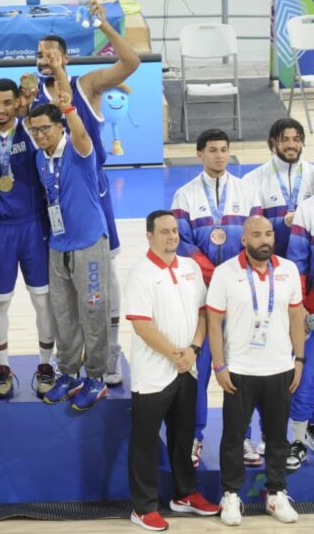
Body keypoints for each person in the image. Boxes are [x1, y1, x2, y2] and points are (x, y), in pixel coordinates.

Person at [33, 0, 142, 388]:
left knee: (103, 279)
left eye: (51, 53)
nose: (44, 59)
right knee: (63, 292)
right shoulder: (34, 99)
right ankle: (68, 365)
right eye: (40, 54)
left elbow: (132, 64)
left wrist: (104, 26)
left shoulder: (87, 84)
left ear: (66, 58)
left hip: (92, 195)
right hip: (55, 204)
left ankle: (108, 354)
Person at [171, 128, 262, 467]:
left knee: (239, 368)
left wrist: (233, 278)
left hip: (240, 296)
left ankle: (242, 438)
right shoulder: (184, 195)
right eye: (212, 150)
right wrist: (217, 276)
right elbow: (182, 243)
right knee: (201, 368)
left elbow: (256, 238)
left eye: (224, 149)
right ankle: (195, 436)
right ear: (199, 154)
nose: (220, 155)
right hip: (203, 297)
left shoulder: (248, 191)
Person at [207, 215, 304, 526]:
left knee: (277, 437)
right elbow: (213, 323)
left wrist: (298, 360)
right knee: (234, 437)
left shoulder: (288, 270)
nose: (264, 240)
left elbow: (296, 319)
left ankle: (276, 493)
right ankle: (230, 495)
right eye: (256, 235)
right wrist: (219, 364)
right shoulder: (225, 273)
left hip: (280, 369)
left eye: (268, 234)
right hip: (239, 371)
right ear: (243, 240)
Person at [124, 210, 218, 531]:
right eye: (164, 232)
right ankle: (143, 507)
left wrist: (192, 350)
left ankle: (185, 494)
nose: (172, 236)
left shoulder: (190, 267)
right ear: (149, 237)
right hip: (153, 374)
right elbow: (141, 325)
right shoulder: (141, 273)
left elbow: (203, 313)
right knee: (145, 442)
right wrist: (175, 355)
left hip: (187, 368)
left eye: (175, 231)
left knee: (183, 436)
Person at [26, 58, 110, 412]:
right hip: (57, 245)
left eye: (46, 128)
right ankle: (69, 371)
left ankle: (97, 377)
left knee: (93, 311)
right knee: (63, 314)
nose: (40, 135)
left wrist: (70, 108)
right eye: (35, 131)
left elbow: (82, 133)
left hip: (89, 243)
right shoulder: (39, 158)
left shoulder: (78, 149)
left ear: (60, 127)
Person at [0, 78, 54, 400]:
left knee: (42, 300)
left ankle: (46, 365)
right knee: (0, 303)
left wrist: (31, 106)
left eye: (7, 103)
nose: (0, 109)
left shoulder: (30, 130)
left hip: (32, 226)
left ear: (16, 103)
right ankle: (1, 367)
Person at [244, 118, 314, 257]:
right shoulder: (253, 180)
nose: (291, 145)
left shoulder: (312, 175)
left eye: (296, 139)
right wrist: (284, 223)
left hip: (307, 261)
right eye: (285, 140)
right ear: (273, 142)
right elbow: (249, 227)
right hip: (268, 260)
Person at [285, 185, 314, 470]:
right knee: (305, 379)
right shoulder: (309, 209)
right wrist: (302, 306)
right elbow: (297, 263)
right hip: (312, 312)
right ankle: (298, 440)